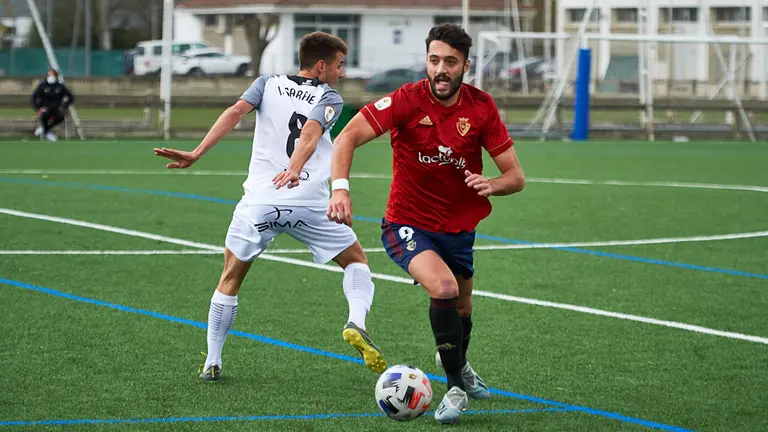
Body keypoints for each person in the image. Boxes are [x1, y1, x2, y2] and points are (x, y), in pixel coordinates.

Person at [152, 31, 387, 381]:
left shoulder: (267, 83)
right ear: (321, 66)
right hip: (307, 201)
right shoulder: (330, 97)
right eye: (340, 65)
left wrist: (197, 152)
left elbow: (235, 112)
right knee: (356, 260)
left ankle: (212, 361)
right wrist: (295, 168)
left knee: (230, 277)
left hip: (260, 201)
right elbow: (309, 133)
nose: (342, 72)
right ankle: (356, 320)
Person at [327, 23, 525, 424]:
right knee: (445, 287)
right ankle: (454, 388)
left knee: (463, 306)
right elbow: (346, 138)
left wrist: (492, 184)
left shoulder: (481, 107)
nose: (440, 69)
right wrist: (340, 190)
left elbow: (515, 177)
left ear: (465, 66)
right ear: (427, 61)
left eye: (450, 62)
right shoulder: (405, 101)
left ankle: (460, 364)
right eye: (434, 60)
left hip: (459, 226)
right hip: (406, 222)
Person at [31, 68, 75, 142]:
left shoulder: (60, 86)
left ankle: (45, 130)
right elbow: (34, 97)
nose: (50, 76)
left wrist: (64, 106)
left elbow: (71, 97)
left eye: (52, 74)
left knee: (61, 117)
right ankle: (47, 132)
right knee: (44, 116)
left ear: (56, 76)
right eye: (49, 74)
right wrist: (38, 108)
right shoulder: (42, 86)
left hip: (56, 109)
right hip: (45, 109)